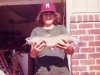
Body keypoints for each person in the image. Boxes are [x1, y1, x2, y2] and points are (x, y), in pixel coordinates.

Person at [30, 2, 75, 75]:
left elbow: (71, 52)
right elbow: (32, 55)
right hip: (42, 73)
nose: (48, 16)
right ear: (41, 16)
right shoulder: (36, 31)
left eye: (51, 14)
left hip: (62, 72)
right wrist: (35, 51)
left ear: (55, 16)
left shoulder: (62, 29)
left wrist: (68, 48)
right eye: (45, 14)